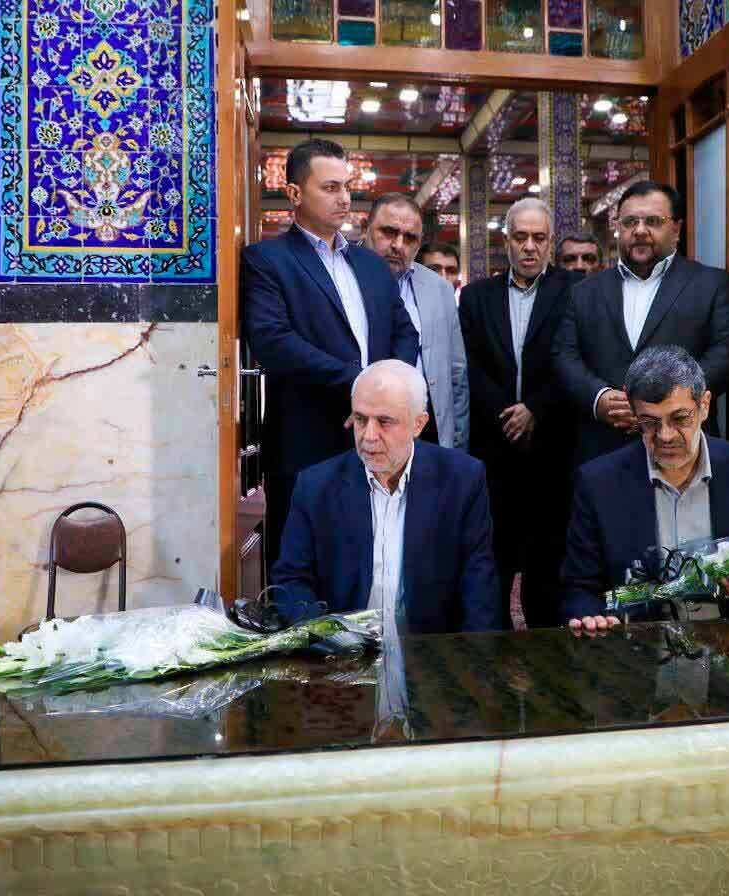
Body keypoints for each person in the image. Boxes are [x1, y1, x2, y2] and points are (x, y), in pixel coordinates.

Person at [241, 139, 419, 568]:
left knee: (372, 561)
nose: (344, 199)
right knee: (301, 565)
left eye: (347, 187)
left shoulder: (370, 264)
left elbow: (405, 332)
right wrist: (360, 385)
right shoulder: (267, 260)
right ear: (295, 194)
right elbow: (273, 341)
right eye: (330, 187)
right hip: (307, 440)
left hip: (377, 440)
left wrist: (387, 392)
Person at [560, 346, 729, 633]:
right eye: (649, 423)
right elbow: (579, 588)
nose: (665, 436)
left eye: (680, 418)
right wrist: (589, 617)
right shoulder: (598, 483)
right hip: (637, 648)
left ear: (704, 406)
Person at [271, 360, 506, 634]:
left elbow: (479, 587)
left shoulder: (461, 481)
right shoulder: (316, 486)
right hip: (340, 652)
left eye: (384, 421)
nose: (369, 436)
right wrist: (328, 640)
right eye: (360, 419)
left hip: (430, 651)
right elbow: (291, 582)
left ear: (419, 424)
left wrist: (469, 658)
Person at [554, 180, 729, 465]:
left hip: (682, 448)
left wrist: (668, 399)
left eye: (653, 221)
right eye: (630, 222)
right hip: (602, 449)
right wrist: (599, 398)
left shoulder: (711, 284)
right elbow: (564, 355)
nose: (640, 230)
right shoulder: (584, 292)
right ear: (618, 227)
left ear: (676, 229)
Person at [458, 197, 583, 629]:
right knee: (493, 563)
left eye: (539, 238)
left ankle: (548, 659)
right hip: (494, 451)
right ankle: (490, 657)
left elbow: (575, 360)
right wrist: (508, 414)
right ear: (505, 241)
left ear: (550, 243)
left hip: (553, 450)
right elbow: (469, 365)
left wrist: (536, 409)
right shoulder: (476, 297)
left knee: (547, 570)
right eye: (520, 237)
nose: (530, 246)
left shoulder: (576, 291)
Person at [362, 193, 469, 449]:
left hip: (427, 429)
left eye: (410, 238)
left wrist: (457, 445)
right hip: (363, 428)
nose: (398, 245)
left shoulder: (439, 289)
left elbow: (456, 373)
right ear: (366, 228)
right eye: (389, 232)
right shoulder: (342, 276)